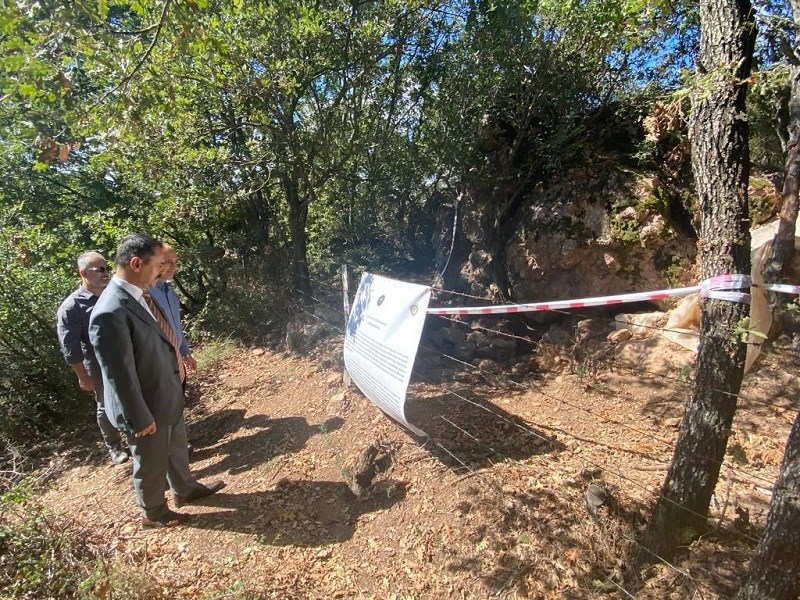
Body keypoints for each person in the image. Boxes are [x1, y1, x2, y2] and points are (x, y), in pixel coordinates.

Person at [89, 233, 223, 529]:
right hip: (145, 404)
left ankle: (185, 490)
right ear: (136, 264)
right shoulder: (111, 310)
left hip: (165, 389)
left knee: (176, 445)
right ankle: (153, 513)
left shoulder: (142, 294)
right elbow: (118, 374)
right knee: (150, 461)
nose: (162, 271)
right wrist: (139, 417)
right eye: (158, 265)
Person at [56, 252, 129, 465]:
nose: (107, 274)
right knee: (105, 404)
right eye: (101, 270)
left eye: (108, 268)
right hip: (97, 364)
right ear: (83, 273)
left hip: (126, 355)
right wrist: (82, 376)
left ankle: (138, 439)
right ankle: (114, 447)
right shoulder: (71, 308)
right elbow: (70, 348)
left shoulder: (115, 293)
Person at [148, 244, 197, 383]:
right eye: (168, 261)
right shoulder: (145, 294)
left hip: (177, 360)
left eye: (175, 262)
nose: (173, 266)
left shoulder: (169, 290)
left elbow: (175, 326)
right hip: (160, 365)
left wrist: (186, 352)